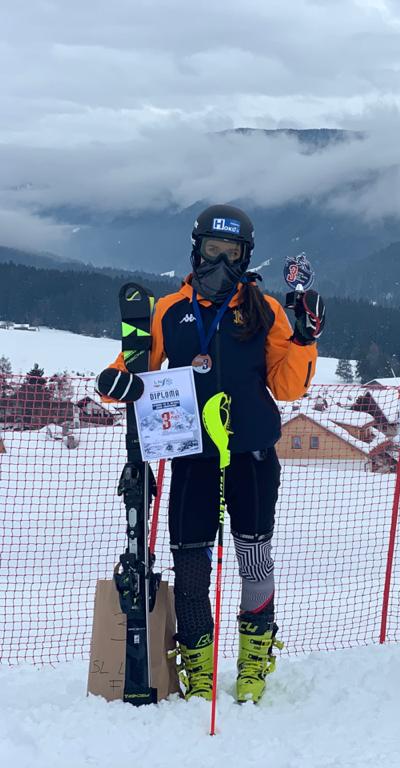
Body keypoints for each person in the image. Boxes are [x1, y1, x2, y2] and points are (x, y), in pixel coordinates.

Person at [95, 204, 326, 702]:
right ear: (195, 249)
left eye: (232, 253)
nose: (220, 263)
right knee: (192, 562)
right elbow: (135, 367)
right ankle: (198, 665)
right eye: (212, 251)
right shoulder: (168, 310)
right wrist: (115, 382)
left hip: (251, 452)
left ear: (246, 257)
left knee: (254, 556)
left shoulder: (264, 308)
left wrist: (305, 341)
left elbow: (287, 387)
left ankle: (253, 661)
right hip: (191, 455)